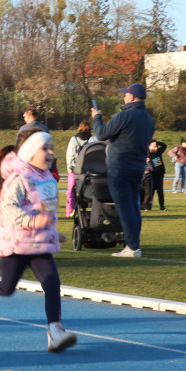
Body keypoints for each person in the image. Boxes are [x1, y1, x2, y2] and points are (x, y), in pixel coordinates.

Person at [0, 129, 77, 352]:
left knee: (52, 283)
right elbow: (8, 210)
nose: (51, 153)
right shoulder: (19, 178)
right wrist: (34, 222)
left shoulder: (47, 178)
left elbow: (46, 214)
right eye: (45, 148)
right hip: (16, 243)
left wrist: (52, 232)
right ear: (30, 153)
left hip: (40, 243)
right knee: (6, 288)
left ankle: (55, 330)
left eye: (51, 147)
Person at [92, 83, 155, 258]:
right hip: (137, 168)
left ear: (132, 97)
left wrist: (97, 117)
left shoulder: (124, 116)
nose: (124, 97)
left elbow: (101, 134)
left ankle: (132, 247)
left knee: (125, 207)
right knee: (134, 207)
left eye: (126, 95)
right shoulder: (149, 119)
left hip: (119, 167)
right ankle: (135, 244)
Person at [65, 121, 95, 218]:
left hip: (76, 171)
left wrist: (70, 169)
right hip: (90, 171)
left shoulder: (74, 140)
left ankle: (71, 210)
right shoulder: (94, 139)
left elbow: (70, 156)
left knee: (72, 191)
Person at [141, 140, 167, 211]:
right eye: (154, 146)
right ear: (149, 146)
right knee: (150, 191)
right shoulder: (147, 154)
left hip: (159, 174)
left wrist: (157, 142)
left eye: (157, 146)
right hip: (151, 175)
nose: (156, 148)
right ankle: (148, 206)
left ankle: (162, 206)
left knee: (160, 191)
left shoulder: (158, 152)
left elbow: (164, 145)